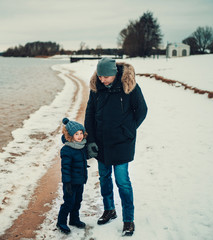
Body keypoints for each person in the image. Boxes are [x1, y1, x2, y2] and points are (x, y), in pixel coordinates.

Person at [84, 57, 147, 236]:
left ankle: (128, 220)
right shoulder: (96, 88)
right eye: (100, 75)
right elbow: (90, 114)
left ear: (114, 74)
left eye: (105, 76)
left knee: (123, 182)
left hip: (122, 143)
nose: (102, 79)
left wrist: (128, 129)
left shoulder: (129, 86)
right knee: (104, 178)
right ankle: (109, 209)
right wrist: (91, 140)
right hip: (102, 142)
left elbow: (142, 110)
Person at [56, 117, 88, 235]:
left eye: (81, 133)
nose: (79, 136)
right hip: (70, 182)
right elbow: (65, 168)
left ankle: (74, 219)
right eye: (76, 134)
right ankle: (61, 222)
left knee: (78, 201)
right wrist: (67, 182)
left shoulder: (81, 146)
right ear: (70, 135)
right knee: (69, 202)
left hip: (80, 180)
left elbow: (82, 161)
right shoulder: (67, 150)